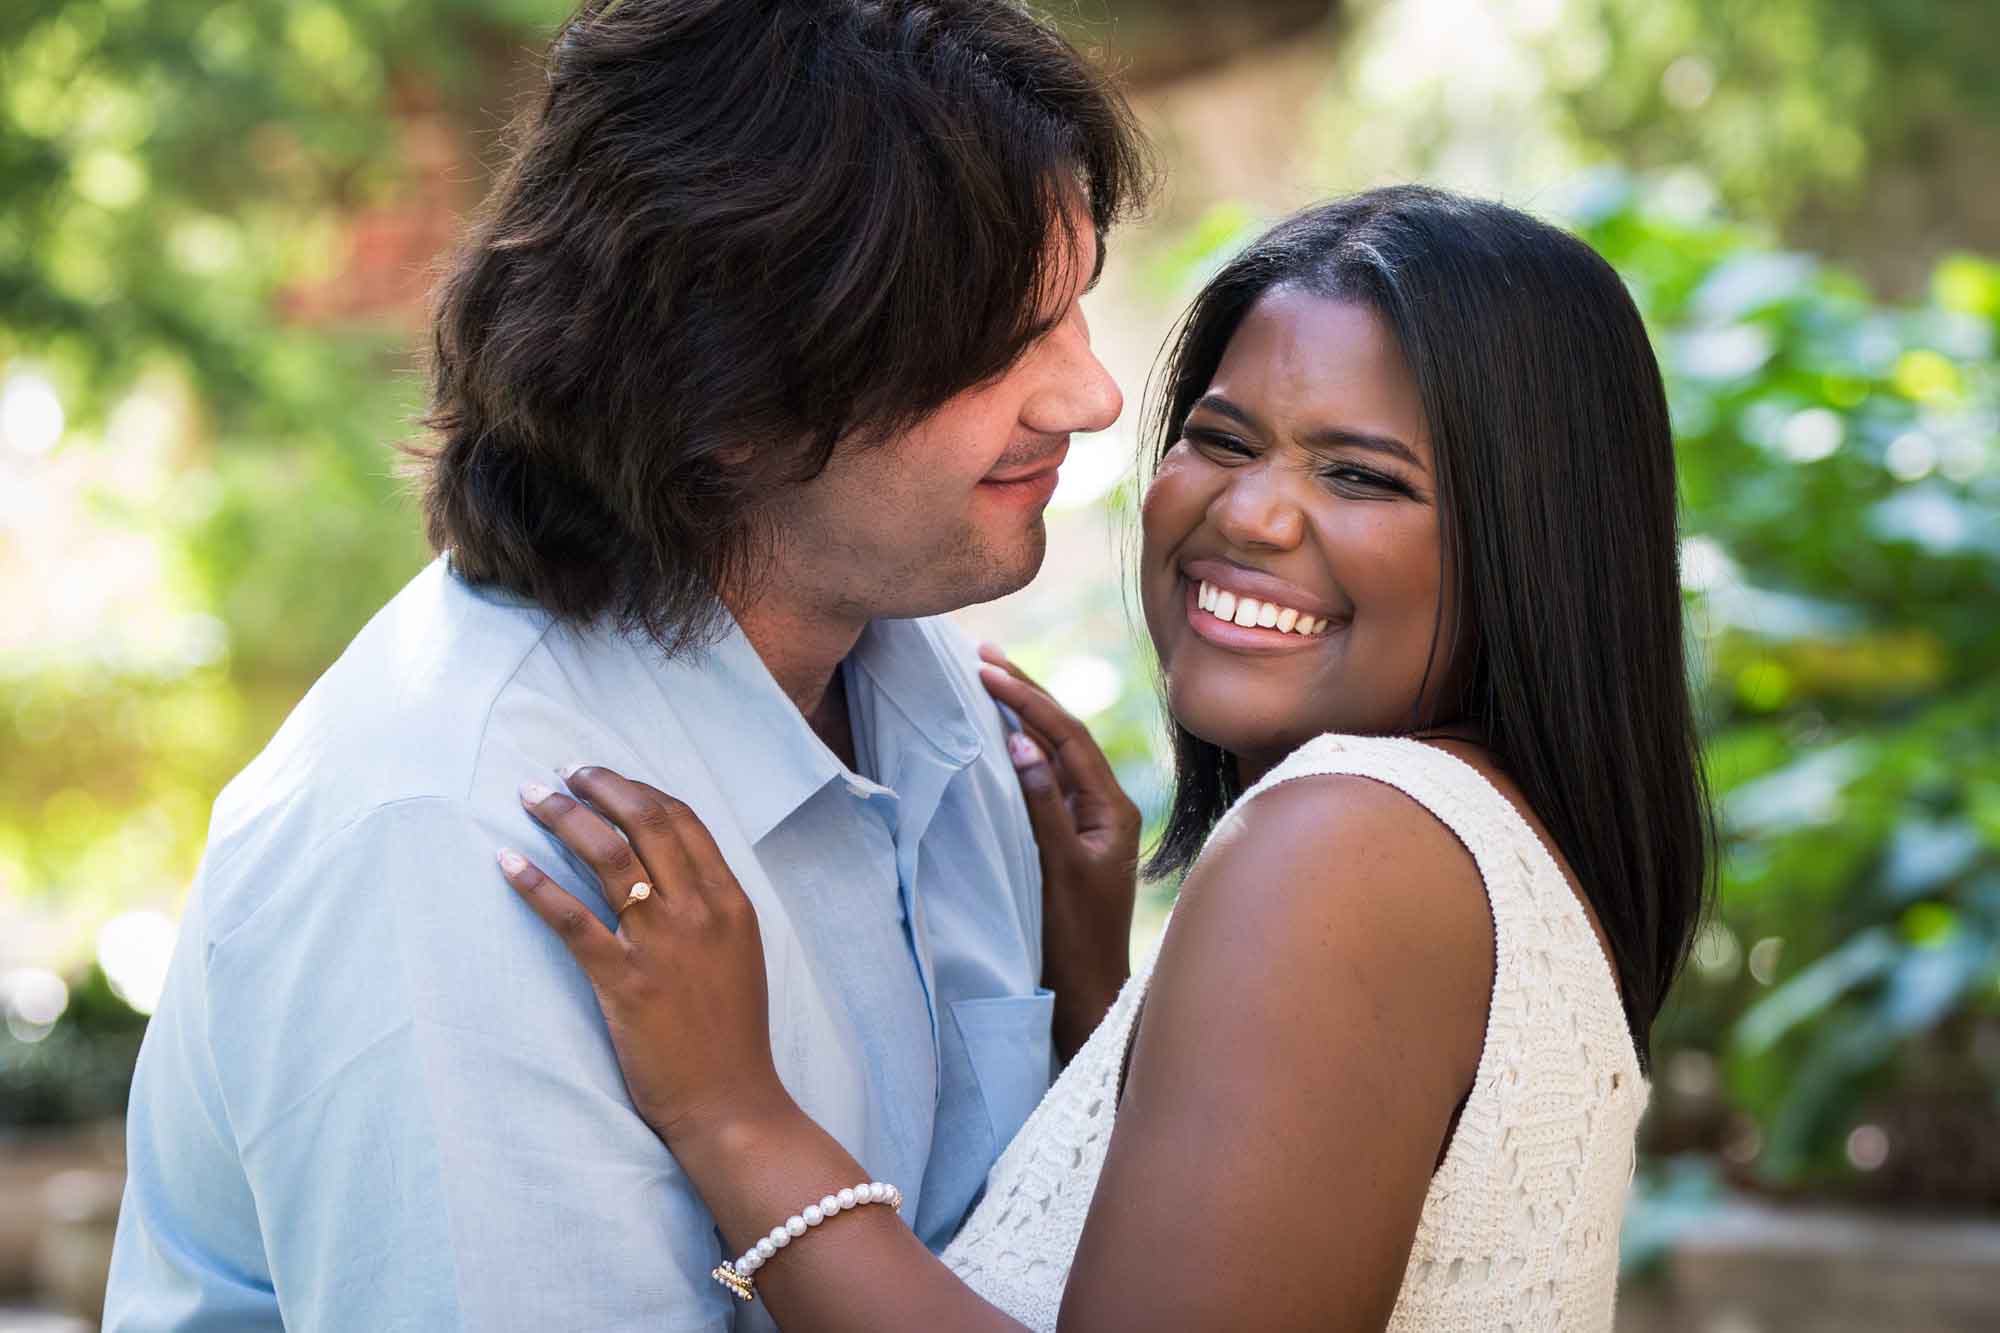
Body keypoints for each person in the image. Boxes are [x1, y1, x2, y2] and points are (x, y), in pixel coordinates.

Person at [495, 186, 1717, 1330]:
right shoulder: (1469, 846)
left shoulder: (1348, 850)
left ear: (1533, 539)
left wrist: (735, 1114)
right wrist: (1105, 1011)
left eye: (1357, 475)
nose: (1246, 514)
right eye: (1223, 440)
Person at [104, 2, 1151, 1329]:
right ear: (730, 402)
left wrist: (1093, 1014)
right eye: (1001, 343)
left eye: (1073, 310)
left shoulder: (916, 672)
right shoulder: (464, 840)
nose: (1091, 395)